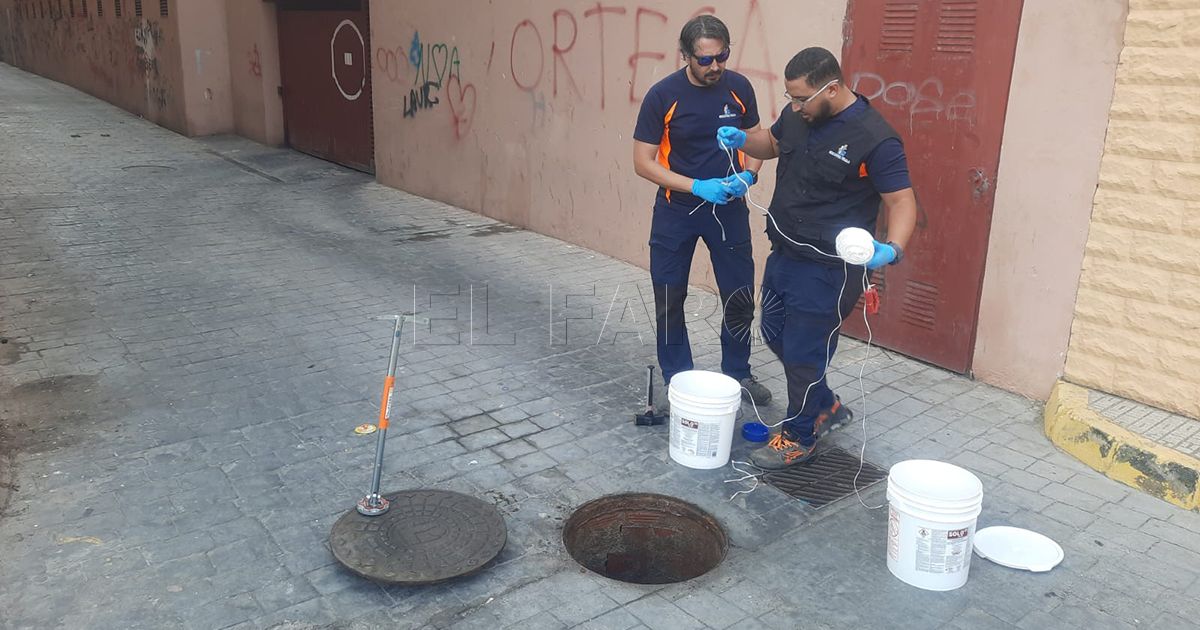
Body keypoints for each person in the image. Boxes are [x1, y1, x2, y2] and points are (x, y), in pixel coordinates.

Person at [717, 47, 917, 469]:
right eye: (790, 97)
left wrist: (892, 250)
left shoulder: (875, 138)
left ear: (831, 88)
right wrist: (743, 141)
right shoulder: (798, 116)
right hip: (786, 252)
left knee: (805, 351)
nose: (793, 107)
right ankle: (824, 404)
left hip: (831, 268)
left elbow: (901, 202)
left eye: (801, 98)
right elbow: (772, 142)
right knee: (773, 331)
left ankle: (799, 435)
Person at [632, 14, 772, 406]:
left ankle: (739, 372)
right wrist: (695, 185)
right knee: (669, 295)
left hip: (728, 208)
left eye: (722, 57)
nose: (715, 67)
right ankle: (678, 376)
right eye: (705, 60)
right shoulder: (663, 95)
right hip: (677, 209)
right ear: (686, 56)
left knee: (740, 294)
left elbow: (758, 140)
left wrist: (749, 176)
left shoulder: (740, 88)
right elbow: (643, 162)